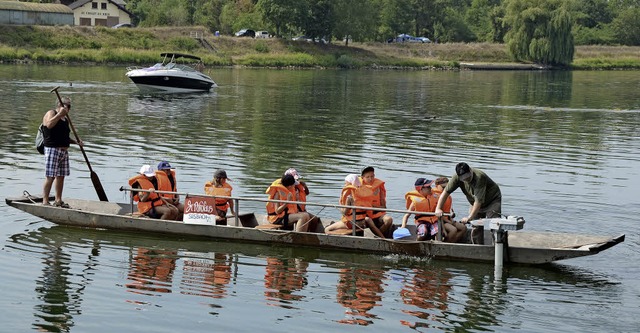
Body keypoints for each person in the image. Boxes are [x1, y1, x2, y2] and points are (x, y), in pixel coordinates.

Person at [41, 96, 82, 207]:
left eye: (70, 106)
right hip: (52, 149)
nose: (69, 109)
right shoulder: (52, 113)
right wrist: (59, 114)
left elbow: (65, 137)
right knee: (50, 176)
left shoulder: (65, 120)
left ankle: (58, 200)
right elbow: (48, 125)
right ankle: (45, 201)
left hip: (63, 152)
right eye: (67, 106)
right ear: (60, 106)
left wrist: (76, 142)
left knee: (61, 176)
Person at [435, 162, 502, 223]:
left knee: (495, 224)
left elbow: (478, 201)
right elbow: (445, 192)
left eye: (468, 177)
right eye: (463, 179)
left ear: (470, 170)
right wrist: (438, 208)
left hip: (492, 200)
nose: (466, 180)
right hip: (474, 201)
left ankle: (499, 236)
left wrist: (469, 217)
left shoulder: (479, 177)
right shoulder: (456, 178)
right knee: (475, 225)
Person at [358, 167, 393, 236]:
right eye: (367, 177)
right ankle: (380, 236)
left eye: (372, 176)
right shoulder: (357, 186)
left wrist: (374, 207)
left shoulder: (379, 186)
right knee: (365, 221)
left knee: (389, 220)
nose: (370, 179)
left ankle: (377, 236)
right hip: (364, 215)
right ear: (362, 177)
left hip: (377, 213)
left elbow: (384, 207)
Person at [433, 177, 467, 243]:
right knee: (453, 230)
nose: (445, 189)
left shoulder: (448, 196)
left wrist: (451, 217)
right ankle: (445, 245)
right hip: (441, 220)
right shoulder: (435, 196)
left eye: (447, 187)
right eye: (443, 187)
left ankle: (451, 242)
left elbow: (449, 209)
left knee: (463, 228)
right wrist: (448, 222)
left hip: (448, 219)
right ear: (437, 186)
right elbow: (437, 213)